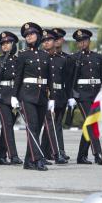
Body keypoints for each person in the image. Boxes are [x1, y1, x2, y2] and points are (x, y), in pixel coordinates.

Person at [13, 22, 52, 171]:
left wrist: (52, 97)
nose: (29, 36)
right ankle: (38, 159)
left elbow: (50, 78)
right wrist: (14, 96)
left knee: (37, 128)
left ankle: (28, 161)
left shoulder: (45, 55)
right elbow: (18, 77)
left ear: (38, 36)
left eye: (32, 34)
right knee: (32, 127)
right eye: (26, 35)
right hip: (27, 95)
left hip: (42, 96)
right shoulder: (23, 55)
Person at [69, 29, 102, 165]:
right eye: (79, 41)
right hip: (82, 94)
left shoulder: (97, 57)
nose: (82, 43)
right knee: (91, 122)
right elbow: (70, 78)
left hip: (96, 93)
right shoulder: (73, 58)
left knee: (89, 124)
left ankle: (81, 156)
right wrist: (71, 96)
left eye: (84, 40)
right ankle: (98, 154)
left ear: (89, 41)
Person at [0, 31, 22, 165]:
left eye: (8, 43)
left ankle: (1, 156)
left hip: (15, 98)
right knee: (7, 124)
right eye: (3, 44)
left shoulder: (19, 60)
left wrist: (18, 97)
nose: (5, 45)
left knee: (8, 126)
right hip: (1, 98)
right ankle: (13, 155)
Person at [40, 29, 69, 164]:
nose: (47, 43)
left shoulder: (62, 60)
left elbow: (66, 80)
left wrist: (68, 97)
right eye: (44, 41)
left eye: (49, 40)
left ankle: (45, 152)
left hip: (59, 95)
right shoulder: (40, 58)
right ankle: (57, 152)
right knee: (50, 124)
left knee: (54, 125)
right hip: (44, 95)